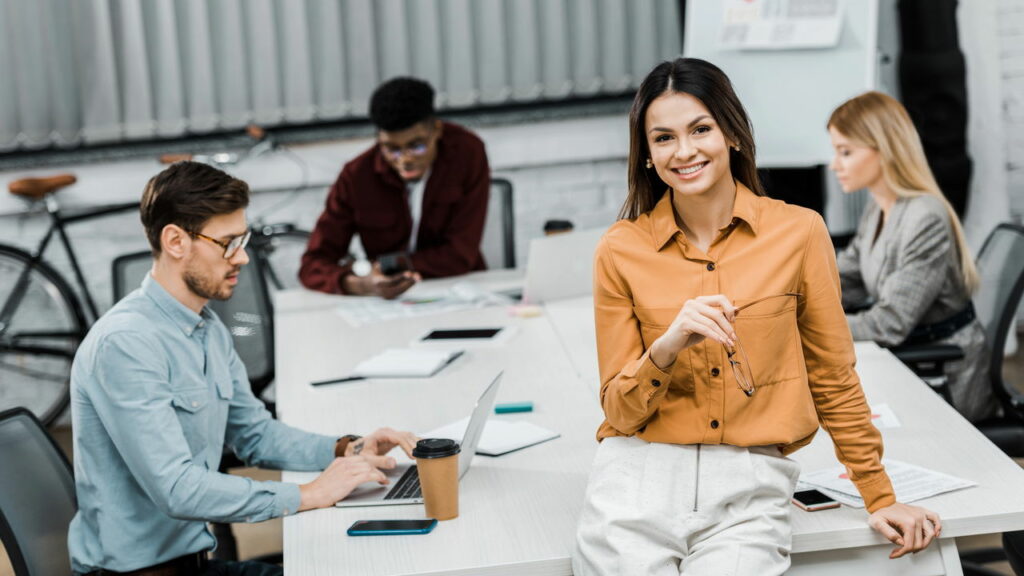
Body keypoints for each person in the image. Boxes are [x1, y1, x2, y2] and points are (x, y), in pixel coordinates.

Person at [573, 58, 940, 576]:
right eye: (663, 138)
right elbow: (621, 409)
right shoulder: (620, 250)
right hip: (637, 474)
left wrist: (880, 496)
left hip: (749, 483)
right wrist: (669, 343)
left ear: (734, 135)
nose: (684, 151)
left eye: (700, 129)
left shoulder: (799, 233)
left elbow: (833, 375)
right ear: (648, 156)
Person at [68, 161, 418, 575]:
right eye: (229, 242)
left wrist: (346, 449)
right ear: (176, 241)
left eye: (244, 239)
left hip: (194, 563)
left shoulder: (207, 328)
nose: (244, 258)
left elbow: (254, 433)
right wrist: (307, 494)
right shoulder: (125, 345)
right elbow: (177, 490)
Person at [828, 91, 999, 423]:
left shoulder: (925, 218)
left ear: (884, 150)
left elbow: (888, 324)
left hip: (945, 379)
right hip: (912, 363)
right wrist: (784, 293)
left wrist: (806, 326)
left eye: (845, 152)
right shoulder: (879, 207)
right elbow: (844, 275)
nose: (835, 164)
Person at [299, 76, 490, 299]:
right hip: (388, 300)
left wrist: (392, 265)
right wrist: (361, 284)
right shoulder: (356, 176)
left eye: (416, 146)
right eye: (391, 149)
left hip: (459, 287)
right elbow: (313, 264)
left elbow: (459, 255)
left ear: (436, 131)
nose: (405, 159)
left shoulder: (468, 153)